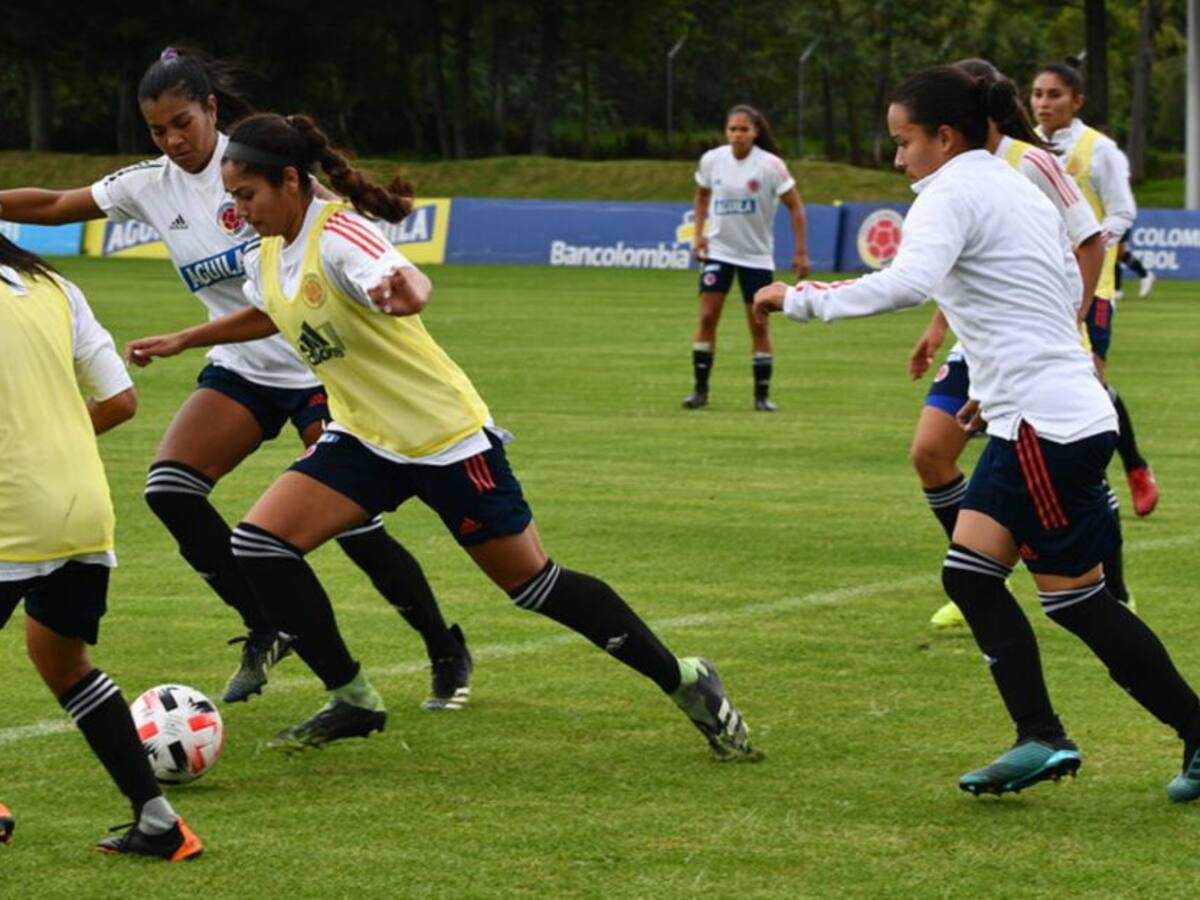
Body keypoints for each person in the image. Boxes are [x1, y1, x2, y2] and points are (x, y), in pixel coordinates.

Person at [124, 111, 760, 760]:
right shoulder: (263, 251)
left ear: (290, 181)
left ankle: (685, 680)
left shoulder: (340, 234)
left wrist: (407, 290)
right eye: (232, 199)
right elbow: (267, 312)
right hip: (364, 440)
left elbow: (396, 274)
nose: (238, 211)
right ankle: (352, 697)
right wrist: (187, 338)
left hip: (445, 440)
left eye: (247, 196)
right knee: (260, 545)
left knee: (532, 585)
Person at [754, 65, 1200, 802]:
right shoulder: (1009, 181)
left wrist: (797, 298)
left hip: (1045, 433)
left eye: (904, 142)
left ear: (945, 136)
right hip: (1033, 419)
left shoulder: (952, 191)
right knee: (968, 575)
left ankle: (1185, 728)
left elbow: (904, 282)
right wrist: (994, 392)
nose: (898, 159)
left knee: (1079, 603)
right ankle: (1040, 736)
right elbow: (1061, 287)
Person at [0, 48, 474, 711]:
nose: (172, 140)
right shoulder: (149, 184)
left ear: (211, 109)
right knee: (170, 489)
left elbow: (340, 238)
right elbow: (53, 202)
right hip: (242, 370)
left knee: (353, 523)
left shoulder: (257, 164)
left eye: (183, 123)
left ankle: (443, 646)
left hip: (317, 367)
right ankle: (266, 623)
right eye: (158, 130)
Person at [0, 228, 202, 859]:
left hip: (11, 505)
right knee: (63, 663)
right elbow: (119, 400)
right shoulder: (53, 285)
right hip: (82, 506)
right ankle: (160, 821)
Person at [905, 59, 1123, 632]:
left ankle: (1105, 584)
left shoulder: (1031, 163)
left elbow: (1089, 239)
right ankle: (975, 573)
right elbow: (957, 268)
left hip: (1041, 337)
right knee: (930, 450)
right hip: (978, 339)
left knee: (1071, 462)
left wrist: (1072, 318)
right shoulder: (951, 176)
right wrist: (935, 331)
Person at [1032, 61, 1159, 517]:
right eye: (1038, 94)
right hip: (1040, 283)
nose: (1044, 103)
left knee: (1088, 381)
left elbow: (1122, 213)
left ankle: (1130, 469)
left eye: (1054, 95)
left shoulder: (1100, 150)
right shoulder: (1024, 149)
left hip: (1093, 285)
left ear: (1077, 101)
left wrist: (1087, 245)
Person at [684, 105, 808, 412]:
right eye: (732, 129)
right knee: (707, 317)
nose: (738, 135)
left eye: (744, 129)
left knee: (759, 324)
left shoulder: (770, 165)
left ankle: (761, 396)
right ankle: (700, 392)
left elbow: (795, 207)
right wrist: (698, 234)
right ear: (726, 132)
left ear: (755, 132)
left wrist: (801, 252)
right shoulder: (713, 160)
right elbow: (701, 196)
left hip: (756, 257)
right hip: (719, 252)